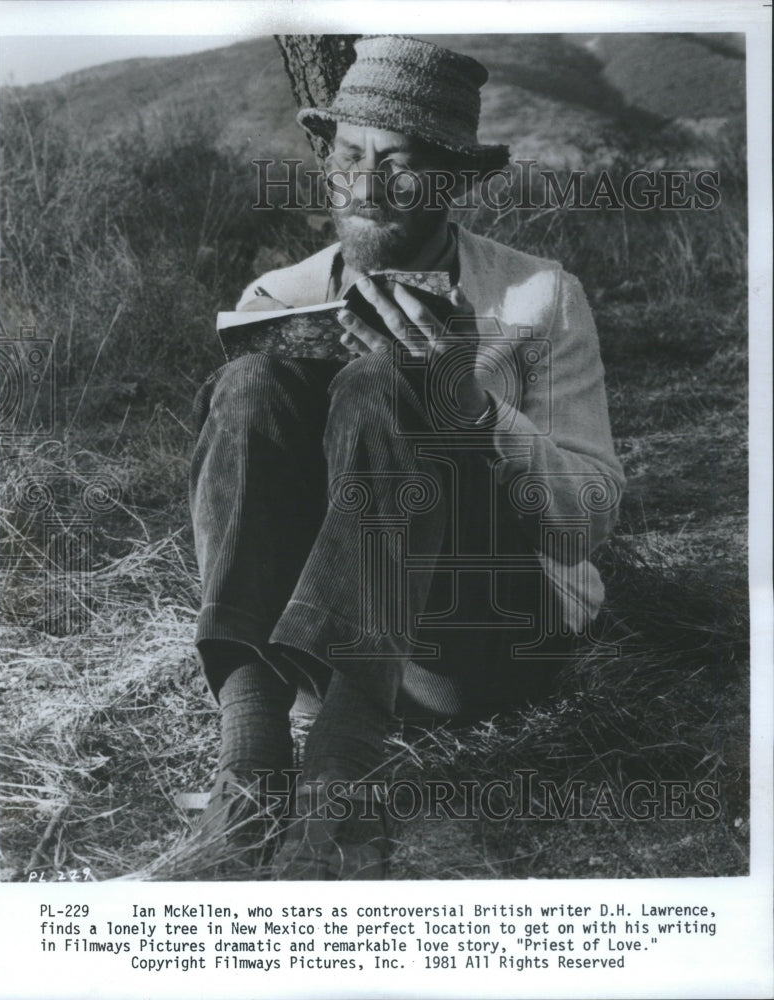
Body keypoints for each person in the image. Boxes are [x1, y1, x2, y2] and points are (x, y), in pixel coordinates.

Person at [186, 35, 624, 880]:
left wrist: (470, 407)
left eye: (401, 164)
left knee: (390, 378)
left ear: (453, 180)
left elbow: (591, 518)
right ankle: (251, 757)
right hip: (307, 654)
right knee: (250, 382)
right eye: (351, 155)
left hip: (482, 642)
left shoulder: (538, 297)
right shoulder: (277, 297)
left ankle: (342, 776)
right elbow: (240, 513)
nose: (368, 184)